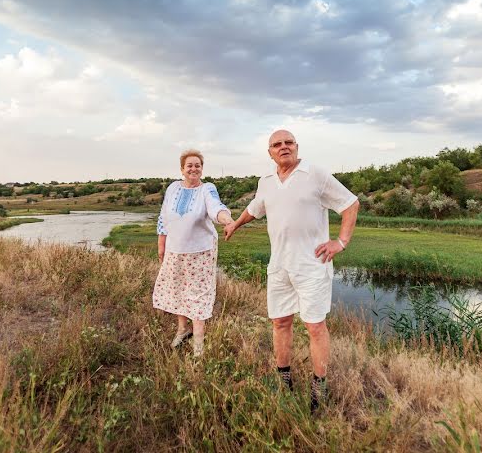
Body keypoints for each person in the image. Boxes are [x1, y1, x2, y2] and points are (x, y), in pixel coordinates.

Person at [224, 130, 359, 413]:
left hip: (312, 266)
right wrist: (235, 224)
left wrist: (341, 242)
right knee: (280, 323)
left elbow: (350, 204)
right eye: (277, 144)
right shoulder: (267, 182)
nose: (283, 147)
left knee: (314, 326)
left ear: (297, 147)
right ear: (270, 152)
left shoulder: (315, 174)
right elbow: (254, 208)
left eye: (289, 143)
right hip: (279, 266)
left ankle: (318, 389)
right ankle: (283, 381)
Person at [153, 149, 234, 357]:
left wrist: (228, 220)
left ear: (202, 169)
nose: (193, 168)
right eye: (189, 165)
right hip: (174, 250)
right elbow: (163, 218)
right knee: (178, 291)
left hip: (200, 253)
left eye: (197, 165)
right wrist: (161, 244)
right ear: (182, 169)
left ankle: (198, 347)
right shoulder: (172, 188)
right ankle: (182, 330)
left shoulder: (207, 189)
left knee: (197, 297)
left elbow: (216, 208)